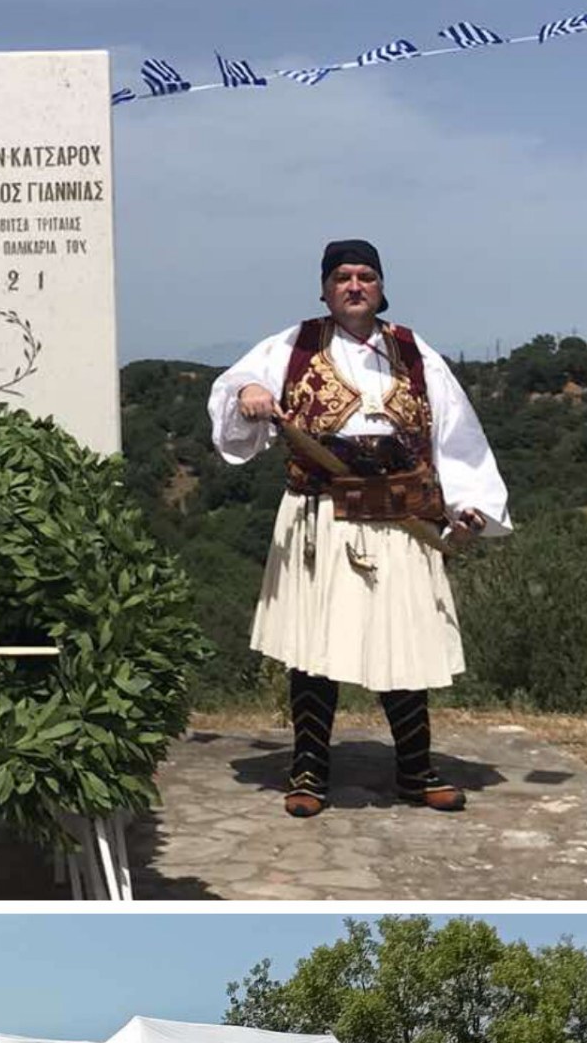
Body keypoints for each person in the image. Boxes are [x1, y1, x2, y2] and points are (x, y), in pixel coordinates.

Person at [207, 239, 510, 816]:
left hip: (400, 515)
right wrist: (249, 392)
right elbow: (238, 382)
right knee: (314, 649)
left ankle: (417, 772)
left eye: (365, 276)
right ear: (324, 287)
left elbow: (455, 431)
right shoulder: (293, 344)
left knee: (404, 640)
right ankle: (308, 773)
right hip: (321, 513)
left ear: (380, 285)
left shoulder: (413, 351)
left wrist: (468, 504)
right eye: (342, 277)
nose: (354, 286)